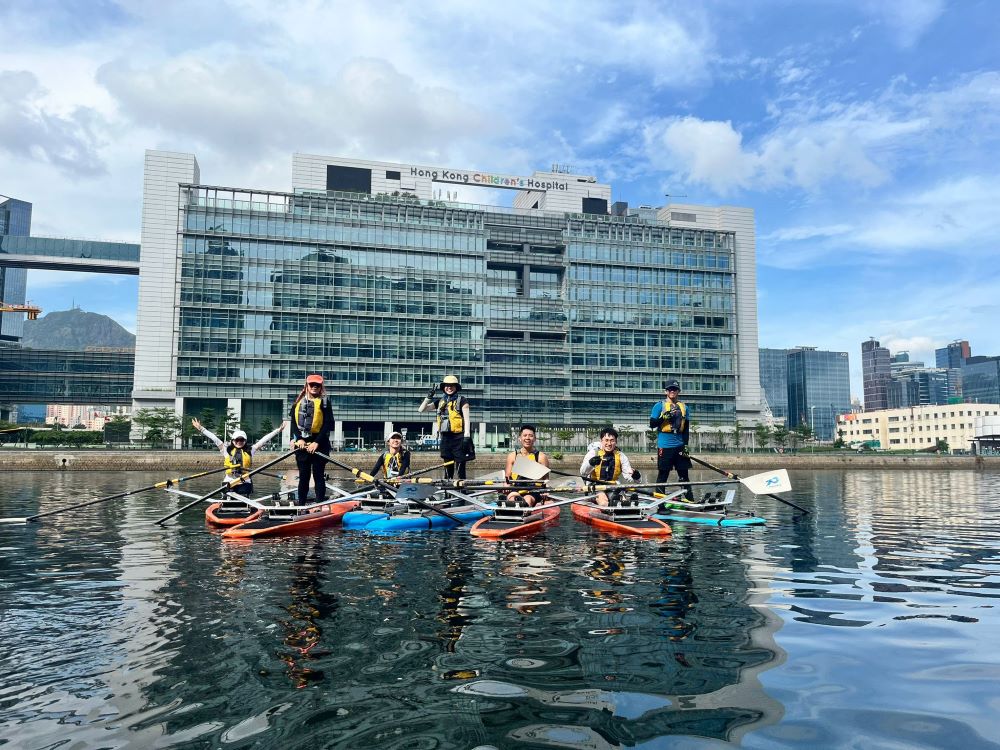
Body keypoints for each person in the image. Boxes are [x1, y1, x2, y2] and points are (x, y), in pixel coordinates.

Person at [192, 417, 287, 497]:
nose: (239, 442)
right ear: (233, 441)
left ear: (245, 441)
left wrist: (278, 430)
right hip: (229, 480)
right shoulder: (226, 450)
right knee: (227, 494)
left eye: (242, 440)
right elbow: (214, 438)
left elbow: (263, 440)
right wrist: (201, 428)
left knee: (243, 493)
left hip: (244, 480)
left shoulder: (251, 450)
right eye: (237, 440)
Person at [289, 374, 335, 505]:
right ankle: (301, 504)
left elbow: (328, 424)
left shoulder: (325, 403)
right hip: (302, 444)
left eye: (318, 385)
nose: (314, 387)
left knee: (318, 475)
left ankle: (319, 504)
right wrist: (298, 439)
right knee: (304, 476)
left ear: (321, 387)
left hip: (320, 443)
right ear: (307, 386)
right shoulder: (298, 402)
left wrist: (316, 442)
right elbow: (293, 422)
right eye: (312, 385)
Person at [418, 374, 473, 479]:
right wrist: (428, 397)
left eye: (452, 385)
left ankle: (462, 487)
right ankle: (448, 489)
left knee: (460, 463)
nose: (449, 388)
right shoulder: (440, 402)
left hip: (459, 437)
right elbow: (421, 410)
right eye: (447, 385)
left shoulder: (462, 400)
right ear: (443, 387)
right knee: (447, 463)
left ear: (456, 387)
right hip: (446, 437)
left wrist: (466, 436)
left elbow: (467, 419)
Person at [649, 379, 693, 501]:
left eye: (675, 389)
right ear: (666, 391)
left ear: (678, 391)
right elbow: (652, 424)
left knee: (684, 475)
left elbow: (686, 429)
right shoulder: (659, 406)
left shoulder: (684, 407)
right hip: (665, 445)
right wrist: (663, 418)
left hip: (680, 445)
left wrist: (685, 445)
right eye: (670, 389)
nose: (672, 391)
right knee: (663, 475)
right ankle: (660, 504)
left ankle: (691, 502)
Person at [579, 426, 640, 506]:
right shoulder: (593, 453)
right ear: (601, 441)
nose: (609, 444)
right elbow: (583, 472)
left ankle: (624, 502)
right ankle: (608, 506)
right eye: (606, 440)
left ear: (616, 442)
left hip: (613, 486)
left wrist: (636, 476)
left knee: (622, 500)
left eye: (612, 441)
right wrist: (591, 463)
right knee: (603, 501)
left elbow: (631, 478)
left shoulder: (621, 456)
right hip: (596, 487)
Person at [503, 424, 551, 506]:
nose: (527, 438)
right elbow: (507, 478)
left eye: (531, 436)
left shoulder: (541, 457)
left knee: (528, 499)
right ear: (520, 438)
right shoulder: (512, 456)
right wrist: (506, 486)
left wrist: (546, 491)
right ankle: (513, 509)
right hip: (516, 490)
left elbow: (546, 479)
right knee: (512, 498)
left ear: (534, 439)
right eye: (524, 435)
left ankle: (523, 511)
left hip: (534, 491)